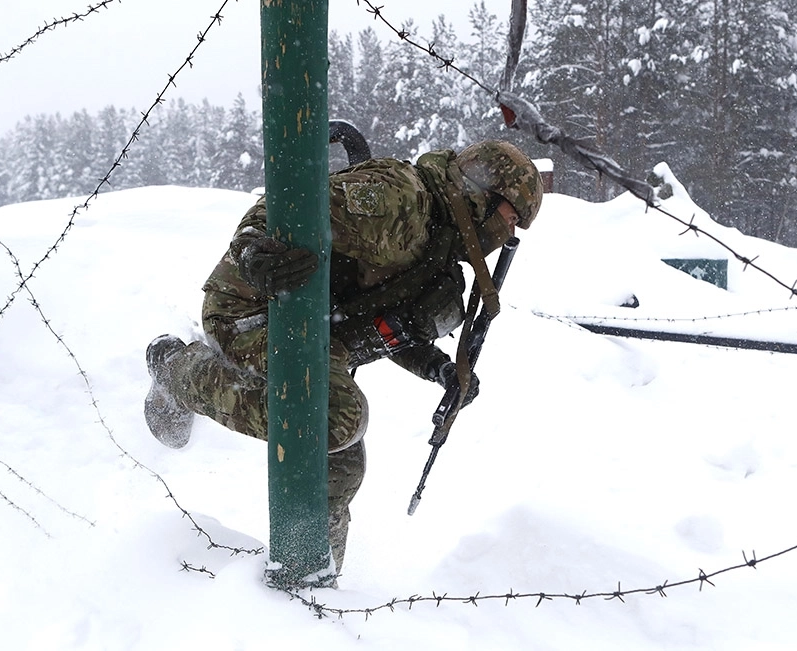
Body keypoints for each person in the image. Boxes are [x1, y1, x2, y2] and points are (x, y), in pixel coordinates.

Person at [143, 140, 543, 572]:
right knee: (338, 417)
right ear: (483, 192)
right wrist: (252, 251)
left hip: (312, 329)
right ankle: (178, 370)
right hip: (254, 310)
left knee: (343, 463)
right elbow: (288, 206)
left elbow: (383, 323)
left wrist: (438, 367)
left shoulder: (435, 240)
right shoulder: (402, 200)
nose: (509, 234)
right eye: (511, 218)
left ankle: (312, 574)